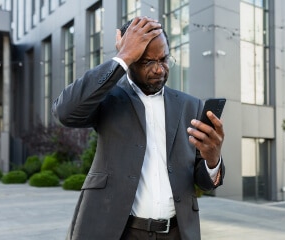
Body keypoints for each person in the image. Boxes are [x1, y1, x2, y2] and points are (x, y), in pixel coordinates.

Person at [52, 16, 225, 240]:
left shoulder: (190, 105)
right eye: (146, 62)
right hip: (118, 232)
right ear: (131, 60)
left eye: (164, 59)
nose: (158, 69)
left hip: (177, 232)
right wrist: (121, 57)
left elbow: (203, 182)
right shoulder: (107, 98)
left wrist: (213, 160)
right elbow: (65, 112)